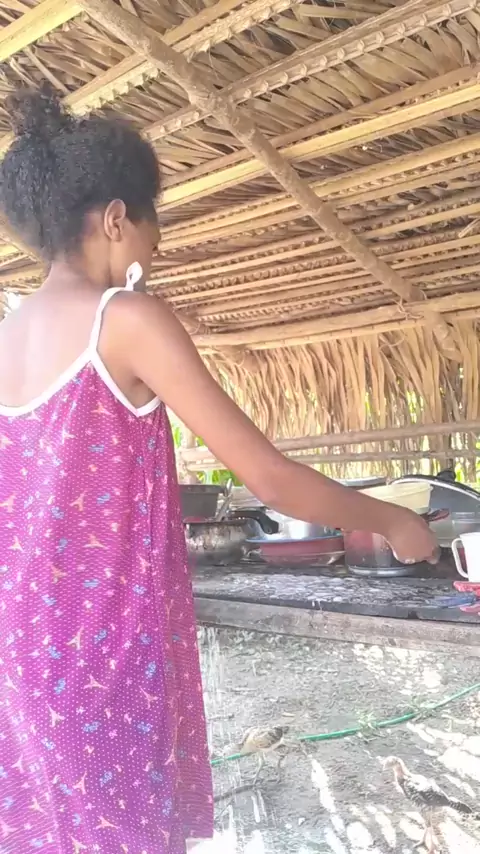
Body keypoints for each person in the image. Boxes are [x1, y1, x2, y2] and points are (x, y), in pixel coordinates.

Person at [0, 86, 438, 854]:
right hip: (105, 653)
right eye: (153, 229)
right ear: (115, 219)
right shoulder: (126, 321)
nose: (155, 249)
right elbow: (269, 480)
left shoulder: (9, 337)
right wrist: (394, 521)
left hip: (23, 648)